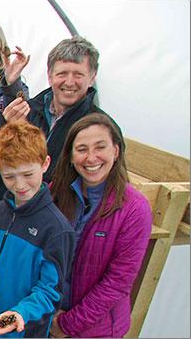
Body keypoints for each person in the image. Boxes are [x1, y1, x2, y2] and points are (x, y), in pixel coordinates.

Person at [0, 121, 76, 338]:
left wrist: (19, 313)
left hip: (14, 331)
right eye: (9, 176)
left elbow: (50, 292)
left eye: (28, 174)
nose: (20, 185)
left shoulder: (57, 230)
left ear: (45, 163)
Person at [49, 114, 152, 337]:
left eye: (100, 147)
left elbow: (117, 282)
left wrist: (67, 324)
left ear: (116, 151)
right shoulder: (56, 192)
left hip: (94, 330)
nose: (91, 158)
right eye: (82, 149)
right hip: (49, 317)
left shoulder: (134, 209)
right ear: (70, 156)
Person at [2, 36, 117, 183]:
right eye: (62, 74)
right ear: (50, 76)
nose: (69, 82)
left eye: (78, 75)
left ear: (92, 78)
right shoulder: (28, 112)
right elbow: (4, 163)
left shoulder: (102, 128)